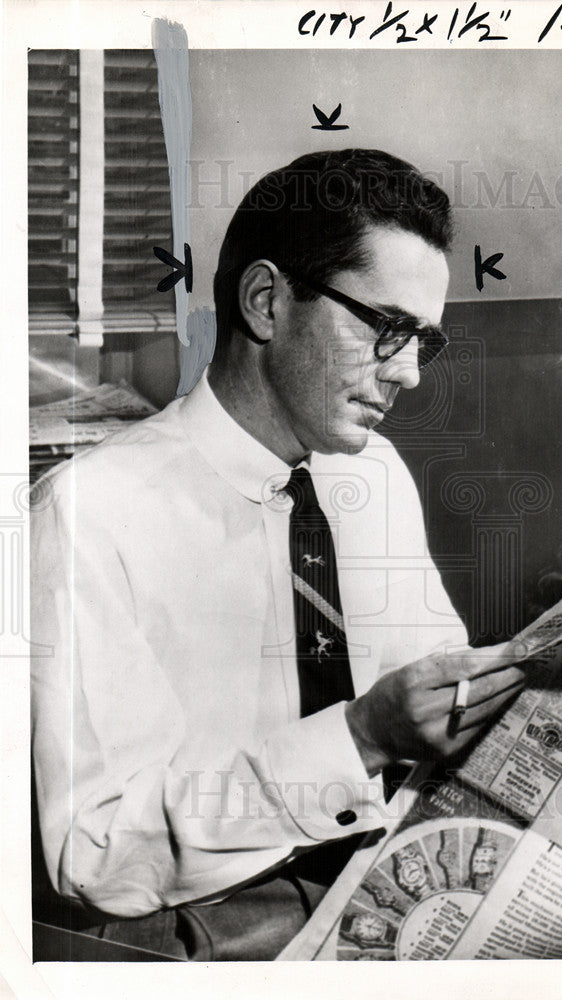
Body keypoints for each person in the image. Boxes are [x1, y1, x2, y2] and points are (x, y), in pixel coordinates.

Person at [30, 149, 526, 960]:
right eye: (386, 330)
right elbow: (96, 855)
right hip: (200, 938)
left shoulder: (375, 475)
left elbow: (438, 693)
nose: (407, 375)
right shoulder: (91, 514)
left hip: (391, 895)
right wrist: (358, 738)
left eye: (424, 344)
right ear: (266, 302)